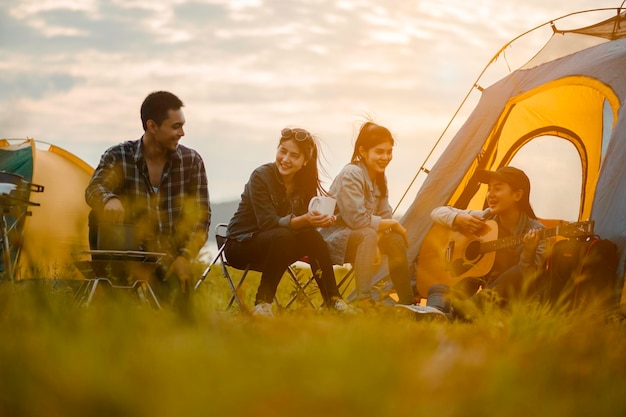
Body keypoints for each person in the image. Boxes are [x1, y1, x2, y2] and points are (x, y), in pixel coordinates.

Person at [85, 91, 210, 313]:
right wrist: (109, 199)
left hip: (169, 256)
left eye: (182, 125)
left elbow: (201, 218)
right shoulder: (119, 155)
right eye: (175, 126)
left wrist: (184, 256)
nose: (182, 133)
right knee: (97, 215)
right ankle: (114, 293)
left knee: (180, 320)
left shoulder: (192, 162)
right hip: (126, 251)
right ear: (152, 126)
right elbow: (94, 188)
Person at [224, 127, 353, 317]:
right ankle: (262, 304)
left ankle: (334, 301)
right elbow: (268, 223)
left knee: (312, 237)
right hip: (242, 245)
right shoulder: (261, 176)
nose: (285, 159)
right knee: (284, 236)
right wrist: (305, 220)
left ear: (304, 161)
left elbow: (302, 223)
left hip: (279, 247)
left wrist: (322, 220)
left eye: (294, 155)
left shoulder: (304, 182)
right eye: (282, 151)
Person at [411, 166, 549, 320]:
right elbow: (437, 212)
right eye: (489, 189)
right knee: (438, 288)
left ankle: (448, 313)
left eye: (497, 189)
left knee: (518, 272)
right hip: (479, 296)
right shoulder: (484, 219)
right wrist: (458, 219)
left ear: (517, 195)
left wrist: (529, 253)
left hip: (509, 300)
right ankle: (437, 313)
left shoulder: (537, 231)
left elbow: (529, 278)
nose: (490, 195)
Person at [320, 121, 417, 309]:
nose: (386, 157)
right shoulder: (352, 174)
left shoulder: (380, 177)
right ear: (363, 152)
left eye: (389, 152)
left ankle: (407, 302)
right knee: (371, 233)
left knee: (395, 239)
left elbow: (384, 214)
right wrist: (390, 226)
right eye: (379, 152)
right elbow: (356, 220)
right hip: (334, 239)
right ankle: (363, 299)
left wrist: (380, 237)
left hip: (365, 238)